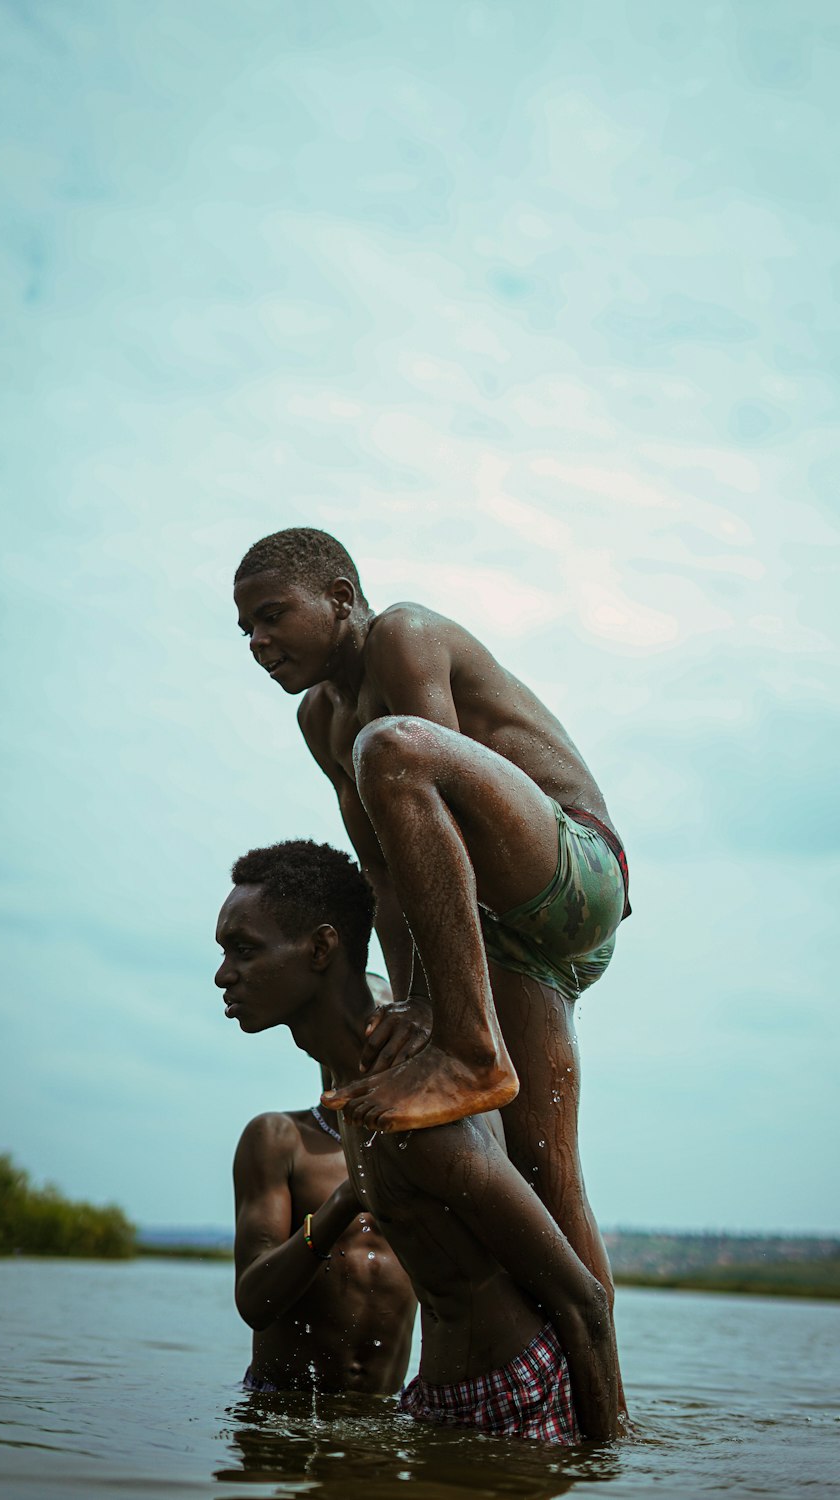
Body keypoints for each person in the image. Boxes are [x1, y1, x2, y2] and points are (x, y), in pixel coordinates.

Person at [232, 526, 630, 1422]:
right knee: (543, 1170)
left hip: (572, 868)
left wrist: (447, 1018)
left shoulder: (402, 637)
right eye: (244, 630)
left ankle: (475, 1044)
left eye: (272, 616)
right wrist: (412, 1001)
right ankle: (598, 1425)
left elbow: (436, 788)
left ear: (339, 595)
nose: (259, 643)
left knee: (393, 751)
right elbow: (386, 871)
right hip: (501, 934)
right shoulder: (317, 719)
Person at [215, 840, 614, 1444]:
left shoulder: (415, 1110)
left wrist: (605, 1458)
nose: (223, 974)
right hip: (427, 1406)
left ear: (322, 948)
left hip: (508, 1403)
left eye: (244, 949)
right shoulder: (348, 1108)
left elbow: (583, 1302)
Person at [233, 974, 417, 1395]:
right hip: (282, 1410)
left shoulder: (422, 1152)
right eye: (362, 1024)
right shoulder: (279, 1139)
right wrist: (345, 1200)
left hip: (384, 1418)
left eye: (389, 1027)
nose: (374, 1039)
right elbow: (255, 1303)